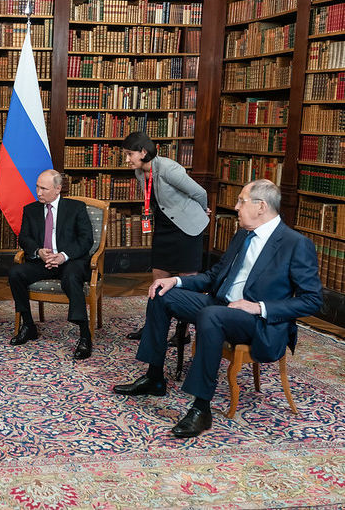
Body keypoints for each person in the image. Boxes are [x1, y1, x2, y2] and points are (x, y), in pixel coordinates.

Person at [113, 180, 322, 438]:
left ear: (261, 206)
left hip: (257, 322)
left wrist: (258, 307)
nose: (235, 207)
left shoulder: (295, 244)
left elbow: (312, 300)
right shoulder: (243, 234)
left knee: (211, 315)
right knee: (161, 293)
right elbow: (214, 276)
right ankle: (155, 377)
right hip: (220, 304)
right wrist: (175, 280)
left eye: (241, 201)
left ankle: (201, 408)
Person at [122, 132, 210, 345]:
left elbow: (199, 192)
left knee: (187, 281)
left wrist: (202, 211)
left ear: (143, 152)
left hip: (187, 229)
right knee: (158, 278)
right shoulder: (139, 172)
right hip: (164, 228)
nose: (126, 159)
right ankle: (153, 325)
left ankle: (184, 332)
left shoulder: (169, 168)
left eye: (129, 154)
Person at [8, 169, 95, 360]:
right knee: (16, 273)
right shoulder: (30, 209)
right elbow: (24, 237)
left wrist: (63, 256)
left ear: (58, 189)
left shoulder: (76, 208)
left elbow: (86, 239)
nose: (38, 192)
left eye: (43, 188)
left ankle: (84, 335)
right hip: (42, 261)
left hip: (68, 262)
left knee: (71, 277)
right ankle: (28, 325)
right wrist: (38, 252)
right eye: (37, 187)